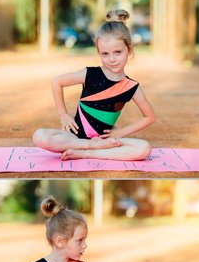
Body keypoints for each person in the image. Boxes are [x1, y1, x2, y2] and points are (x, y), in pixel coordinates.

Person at [32, 9, 155, 159]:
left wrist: (119, 133)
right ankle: (89, 147)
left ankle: (88, 153)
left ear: (129, 50)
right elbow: (57, 81)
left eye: (118, 52)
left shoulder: (131, 87)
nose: (112, 59)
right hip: (75, 137)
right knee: (39, 136)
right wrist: (63, 115)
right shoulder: (90, 74)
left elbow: (149, 117)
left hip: (105, 140)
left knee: (144, 148)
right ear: (98, 53)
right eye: (105, 54)